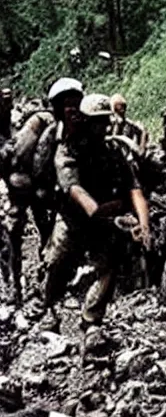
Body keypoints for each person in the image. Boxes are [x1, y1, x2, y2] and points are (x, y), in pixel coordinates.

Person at [44, 93, 151, 328]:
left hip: (102, 218)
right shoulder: (67, 151)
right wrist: (114, 216)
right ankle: (48, 307)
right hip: (73, 219)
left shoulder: (113, 151)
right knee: (56, 264)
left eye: (105, 120)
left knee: (108, 267)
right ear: (85, 121)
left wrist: (144, 225)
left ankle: (91, 320)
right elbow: (76, 191)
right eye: (96, 121)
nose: (102, 127)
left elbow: (134, 188)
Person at [0, 78, 83, 305]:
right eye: (68, 103)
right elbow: (16, 157)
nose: (73, 108)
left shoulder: (69, 127)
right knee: (14, 232)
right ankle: (13, 286)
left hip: (43, 188)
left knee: (48, 231)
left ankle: (47, 280)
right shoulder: (40, 123)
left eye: (77, 103)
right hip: (24, 185)